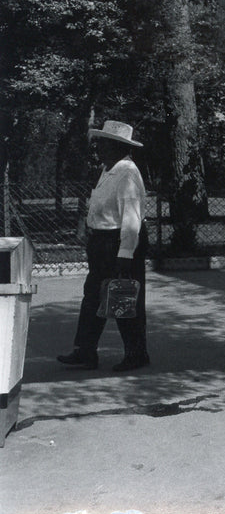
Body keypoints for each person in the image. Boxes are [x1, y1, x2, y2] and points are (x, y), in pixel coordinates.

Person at [57, 120, 150, 372]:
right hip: (101, 241)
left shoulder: (127, 173)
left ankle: (136, 353)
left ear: (117, 146)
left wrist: (125, 253)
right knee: (92, 297)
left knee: (123, 297)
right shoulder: (108, 170)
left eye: (103, 143)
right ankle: (85, 351)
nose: (98, 148)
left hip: (119, 242)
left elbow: (131, 218)